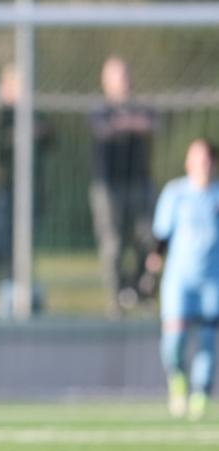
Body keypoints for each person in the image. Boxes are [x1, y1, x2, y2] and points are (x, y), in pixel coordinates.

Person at [0, 64, 49, 320]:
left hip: (31, 187)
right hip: (5, 186)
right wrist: (17, 136)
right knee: (3, 239)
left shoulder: (31, 111)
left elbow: (50, 135)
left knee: (24, 241)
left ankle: (18, 290)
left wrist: (40, 132)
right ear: (8, 85)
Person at [149, 139, 219, 421]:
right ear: (188, 162)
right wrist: (153, 261)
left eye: (205, 158)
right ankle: (177, 377)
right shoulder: (175, 193)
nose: (200, 163)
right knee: (174, 338)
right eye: (195, 157)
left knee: (206, 339)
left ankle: (201, 393)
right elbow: (161, 234)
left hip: (212, 281)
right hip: (179, 280)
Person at [90, 56, 158, 318]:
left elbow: (151, 125)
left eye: (126, 76)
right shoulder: (99, 110)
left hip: (139, 181)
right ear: (106, 82)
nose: (124, 82)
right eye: (118, 77)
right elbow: (103, 130)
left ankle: (137, 290)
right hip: (108, 186)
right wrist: (128, 124)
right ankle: (115, 298)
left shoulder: (142, 107)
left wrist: (124, 123)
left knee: (147, 237)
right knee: (113, 245)